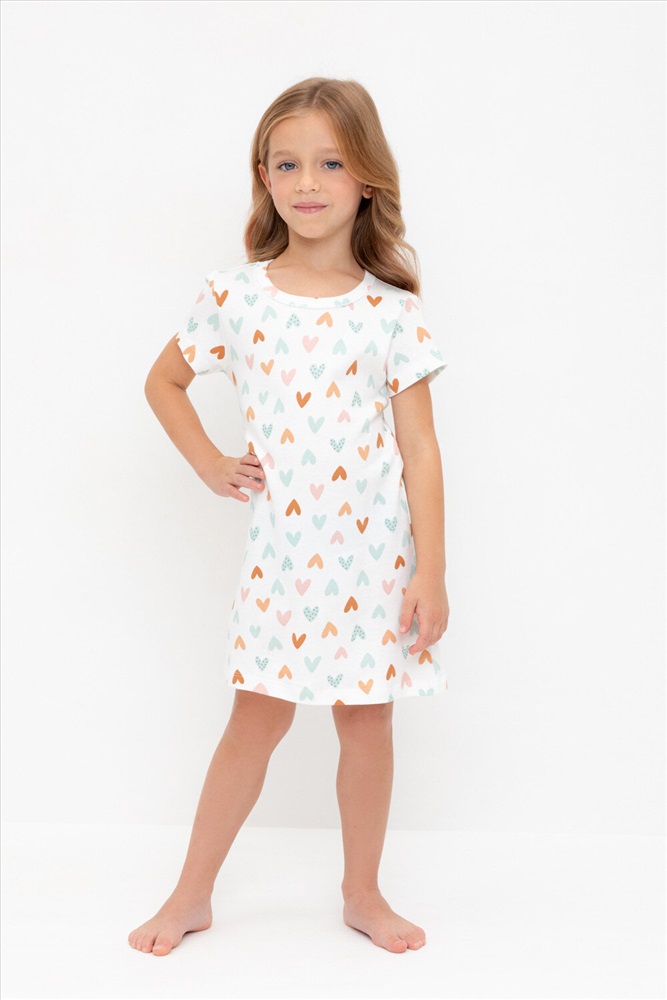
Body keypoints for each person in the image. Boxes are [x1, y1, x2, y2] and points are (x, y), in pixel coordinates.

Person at [128, 76, 450, 958]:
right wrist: (209, 461)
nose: (307, 181)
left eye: (330, 163)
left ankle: (362, 892)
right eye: (287, 164)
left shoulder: (392, 313)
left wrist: (430, 570)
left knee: (367, 722)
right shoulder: (236, 298)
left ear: (367, 179)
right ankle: (191, 894)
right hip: (283, 560)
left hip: (375, 562)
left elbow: (420, 451)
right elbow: (164, 382)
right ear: (263, 178)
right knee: (256, 720)